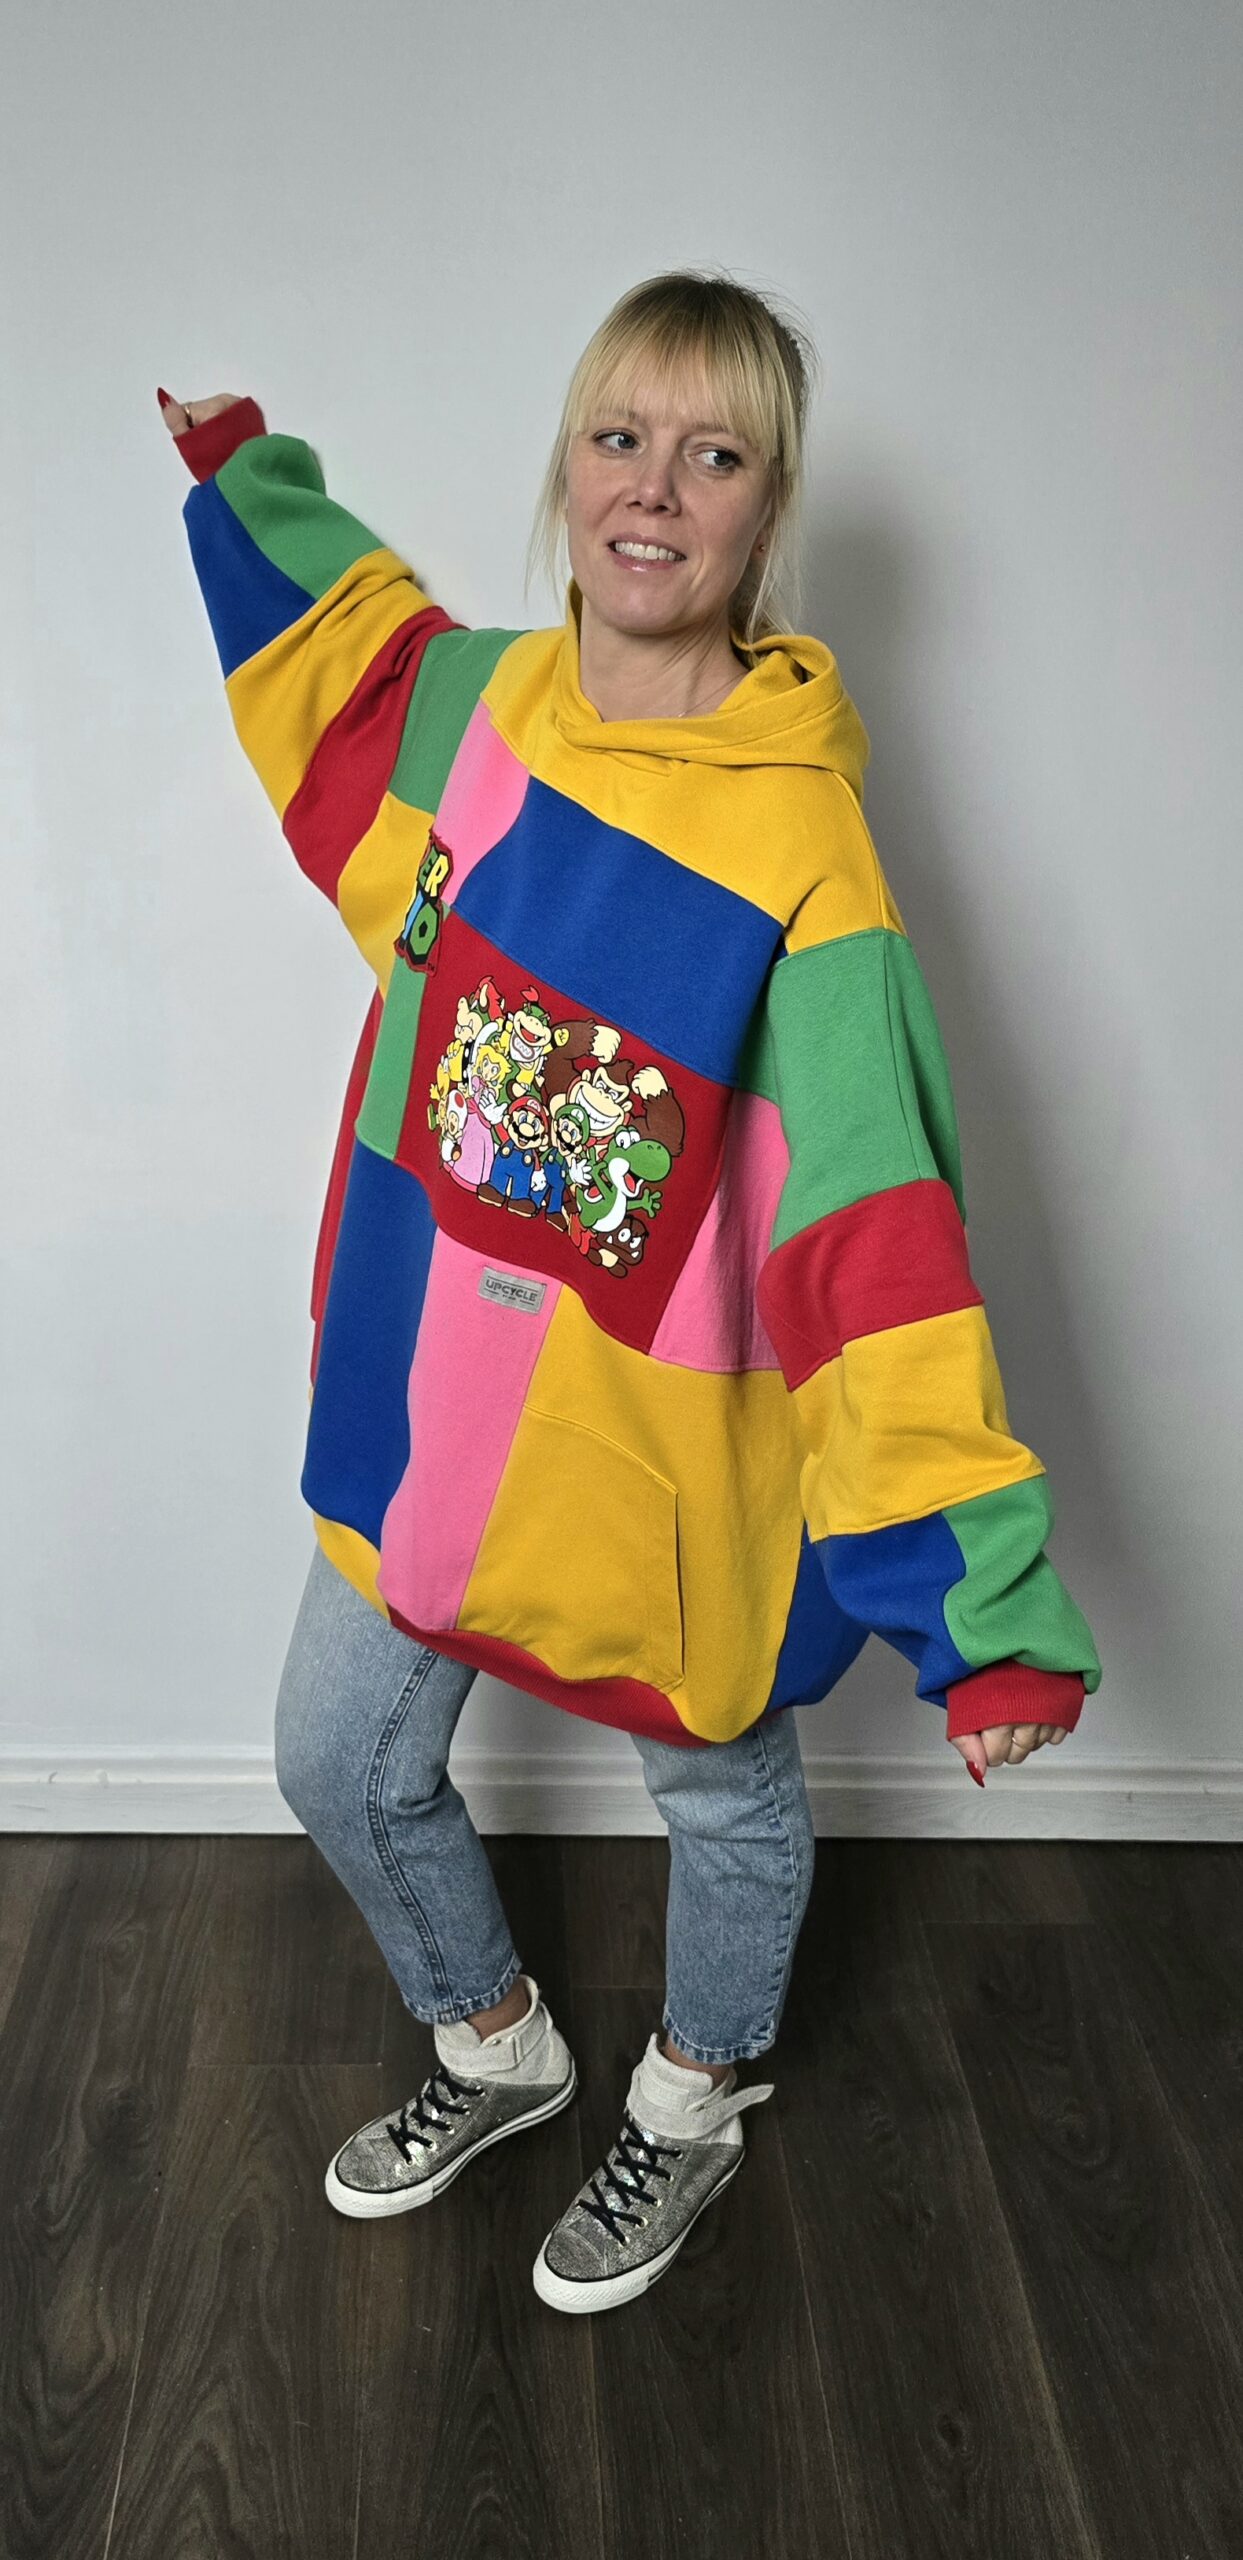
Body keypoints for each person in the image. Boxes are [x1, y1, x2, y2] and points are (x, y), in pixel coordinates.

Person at [158, 267, 1101, 2317]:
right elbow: (347, 669)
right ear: (566, 467)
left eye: (714, 452)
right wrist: (241, 483)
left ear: (768, 509)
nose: (654, 489)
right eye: (619, 437)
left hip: (660, 1440)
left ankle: (693, 2093)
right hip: (440, 1394)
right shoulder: (482, 713)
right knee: (336, 1751)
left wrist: (979, 1606)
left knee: (719, 1778)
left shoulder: (803, 849)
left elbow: (878, 1234)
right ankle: (496, 2042)